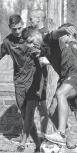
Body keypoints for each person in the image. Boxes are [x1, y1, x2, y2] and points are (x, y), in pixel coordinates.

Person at [0, 14, 47, 152]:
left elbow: (44, 48)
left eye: (19, 28)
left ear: (23, 25)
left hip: (34, 80)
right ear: (10, 28)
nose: (17, 31)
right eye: (14, 29)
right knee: (24, 114)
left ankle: (23, 142)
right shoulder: (8, 42)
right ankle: (38, 145)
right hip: (19, 82)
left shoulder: (30, 35)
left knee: (30, 112)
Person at [21, 26, 77, 150]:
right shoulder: (41, 47)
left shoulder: (47, 38)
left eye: (31, 42)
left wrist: (65, 30)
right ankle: (70, 143)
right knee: (52, 112)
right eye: (28, 44)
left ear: (37, 35)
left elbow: (56, 33)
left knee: (61, 94)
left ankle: (61, 134)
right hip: (66, 77)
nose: (31, 45)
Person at [48, 23, 77, 153]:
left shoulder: (67, 45)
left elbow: (63, 56)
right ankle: (74, 145)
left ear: (69, 35)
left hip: (74, 78)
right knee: (54, 111)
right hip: (70, 78)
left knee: (63, 98)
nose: (60, 38)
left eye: (62, 35)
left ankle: (62, 135)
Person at [28, 9, 49, 140]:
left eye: (31, 19)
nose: (29, 21)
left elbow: (49, 56)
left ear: (39, 19)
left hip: (40, 76)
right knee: (27, 107)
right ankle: (27, 135)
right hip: (28, 74)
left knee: (42, 107)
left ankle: (43, 135)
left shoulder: (46, 35)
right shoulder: (31, 32)